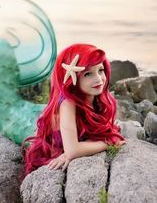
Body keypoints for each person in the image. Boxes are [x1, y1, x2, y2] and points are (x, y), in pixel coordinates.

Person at [22, 43, 126, 176]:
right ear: (72, 78)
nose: (99, 79)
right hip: (48, 146)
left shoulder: (96, 97)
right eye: (87, 74)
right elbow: (72, 151)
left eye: (100, 70)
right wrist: (108, 143)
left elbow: (105, 130)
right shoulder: (68, 103)